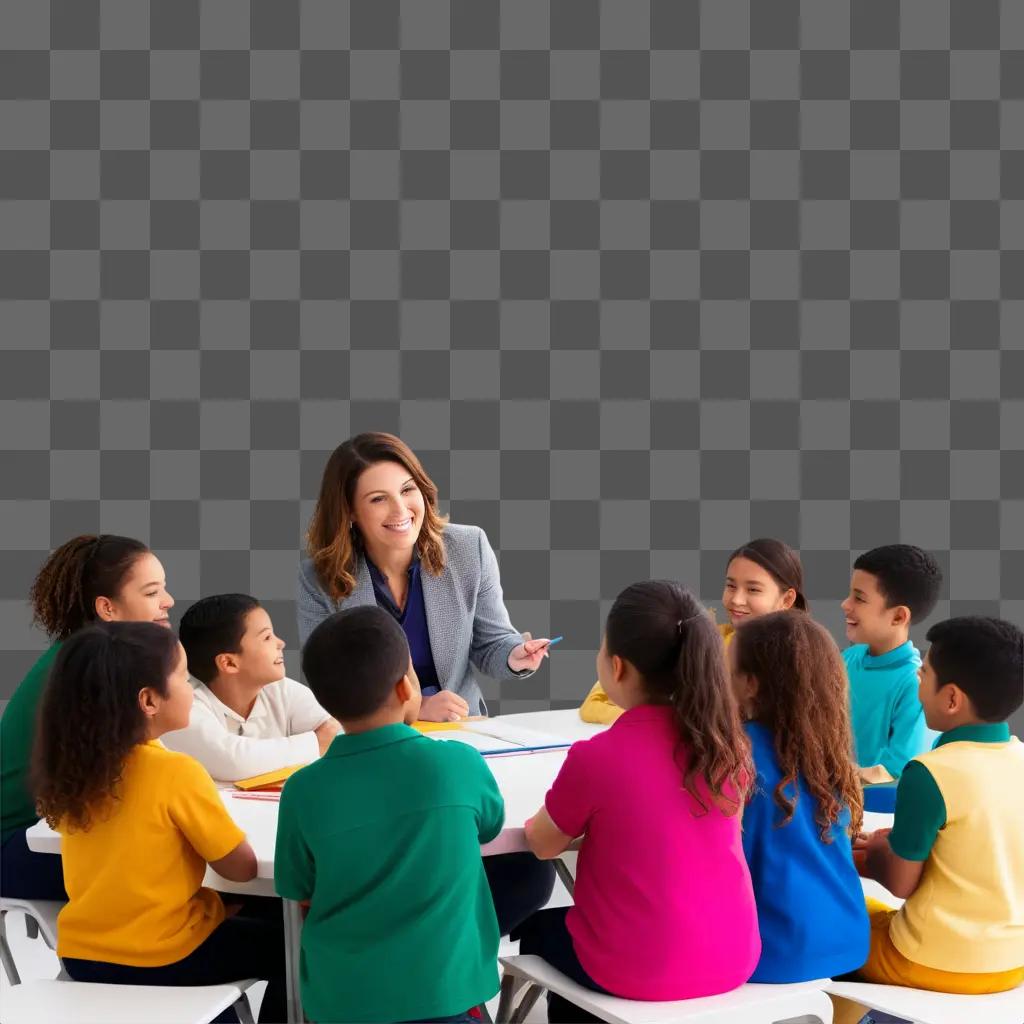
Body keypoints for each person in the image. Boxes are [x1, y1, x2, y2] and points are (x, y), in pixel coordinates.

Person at [520, 581, 760, 1023]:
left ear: (617, 666)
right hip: (734, 956)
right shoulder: (731, 749)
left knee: (539, 928)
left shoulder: (598, 756)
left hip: (640, 969)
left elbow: (542, 845)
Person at [33, 622, 286, 1024]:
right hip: (165, 957)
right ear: (149, 700)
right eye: (184, 677)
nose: (193, 689)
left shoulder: (73, 772)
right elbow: (242, 870)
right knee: (292, 948)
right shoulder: (175, 771)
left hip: (83, 956)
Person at [275, 606, 506, 1024]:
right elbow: (489, 826)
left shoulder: (302, 790)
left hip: (342, 1001)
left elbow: (297, 885)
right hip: (448, 994)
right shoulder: (459, 763)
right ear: (405, 687)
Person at [297, 432, 553, 722]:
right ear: (350, 511)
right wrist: (416, 708)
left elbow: (490, 643)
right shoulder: (318, 577)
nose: (400, 509)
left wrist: (514, 654)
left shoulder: (469, 548)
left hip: (461, 727)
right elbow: (326, 681)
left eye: (407, 490)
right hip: (373, 734)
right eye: (379, 498)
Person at [847, 617, 1024, 1020]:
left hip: (932, 962)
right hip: (1011, 964)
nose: (917, 681)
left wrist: (877, 852)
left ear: (951, 699)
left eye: (923, 672)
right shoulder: (1020, 759)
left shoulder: (929, 772)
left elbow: (901, 883)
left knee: (840, 921)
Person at [1, 534, 173, 899]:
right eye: (151, 592)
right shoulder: (92, 670)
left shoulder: (88, 655)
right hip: (19, 847)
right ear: (107, 608)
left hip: (52, 834)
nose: (168, 602)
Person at [731, 611, 870, 983]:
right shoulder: (829, 754)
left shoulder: (731, 754)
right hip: (849, 943)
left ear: (750, 685)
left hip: (769, 953)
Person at [580, 537, 806, 724]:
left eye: (753, 589)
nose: (736, 599)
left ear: (787, 599)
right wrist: (657, 721)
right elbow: (595, 701)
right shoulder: (705, 640)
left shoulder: (802, 661)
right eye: (730, 586)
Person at [163, 593, 340, 783]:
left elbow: (337, 735)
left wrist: (322, 740)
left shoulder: (283, 691)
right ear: (229, 662)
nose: (281, 643)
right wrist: (315, 742)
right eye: (266, 637)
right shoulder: (183, 704)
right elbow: (233, 761)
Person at [841, 544, 943, 783]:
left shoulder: (915, 684)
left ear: (898, 616)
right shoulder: (848, 658)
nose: (845, 604)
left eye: (859, 598)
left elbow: (898, 770)